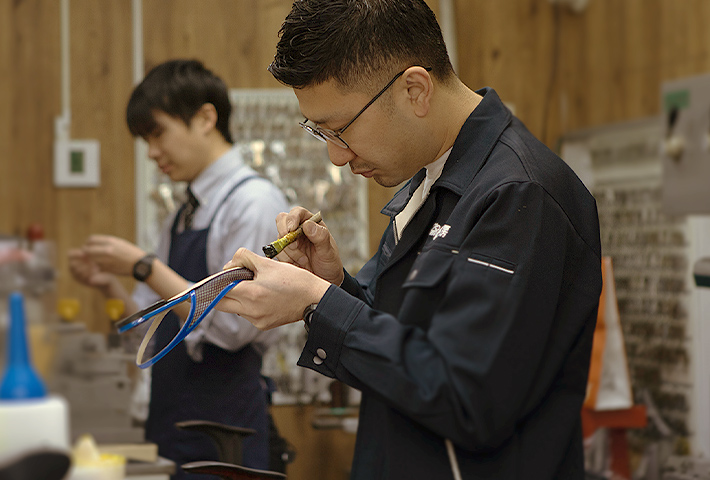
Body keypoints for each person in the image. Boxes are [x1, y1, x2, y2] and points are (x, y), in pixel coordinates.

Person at [215, 1, 603, 479]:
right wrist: (334, 287)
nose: (337, 156)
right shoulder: (429, 183)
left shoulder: (519, 195)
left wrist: (318, 305)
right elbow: (408, 344)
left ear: (414, 90)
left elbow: (468, 399)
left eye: (340, 129)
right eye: (320, 132)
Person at [68, 59, 288, 478]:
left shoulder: (253, 202)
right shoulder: (182, 216)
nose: (152, 153)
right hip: (173, 424)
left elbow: (238, 326)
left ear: (206, 118)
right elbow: (156, 328)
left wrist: (144, 266)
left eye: (158, 134)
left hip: (225, 431)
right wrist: (108, 285)